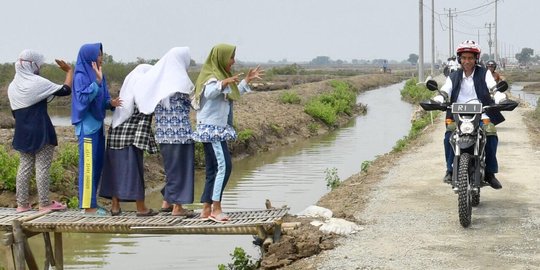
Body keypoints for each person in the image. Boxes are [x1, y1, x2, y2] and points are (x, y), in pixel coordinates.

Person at [192, 44, 263, 222]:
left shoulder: (218, 76)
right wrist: (223, 82)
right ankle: (216, 208)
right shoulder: (212, 77)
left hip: (213, 128)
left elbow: (231, 94)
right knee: (224, 166)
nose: (233, 60)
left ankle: (206, 209)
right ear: (222, 57)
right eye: (231, 57)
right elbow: (209, 92)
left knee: (212, 169)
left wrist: (245, 81)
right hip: (212, 129)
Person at [132, 47, 196, 217]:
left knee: (172, 169)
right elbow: (195, 104)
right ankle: (178, 207)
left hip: (163, 134)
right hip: (180, 134)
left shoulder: (158, 81)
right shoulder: (181, 80)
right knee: (181, 170)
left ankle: (167, 202)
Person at [8, 50, 72, 213]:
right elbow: (65, 90)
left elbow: (15, 113)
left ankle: (22, 204)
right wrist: (69, 71)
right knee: (42, 166)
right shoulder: (37, 82)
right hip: (41, 130)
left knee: (24, 166)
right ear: (31, 64)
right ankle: (44, 203)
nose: (39, 68)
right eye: (38, 65)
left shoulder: (13, 86)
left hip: (23, 131)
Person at [435, 40, 503, 189]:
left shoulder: (484, 73)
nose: (467, 61)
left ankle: (490, 173)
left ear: (476, 59)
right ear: (459, 59)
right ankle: (450, 169)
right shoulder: (454, 76)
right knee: (449, 136)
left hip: (481, 113)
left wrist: (499, 97)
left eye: (470, 58)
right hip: (457, 116)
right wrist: (439, 98)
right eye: (464, 58)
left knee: (491, 133)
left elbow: (493, 88)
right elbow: (446, 90)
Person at [99, 64, 158, 217]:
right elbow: (144, 119)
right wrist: (145, 143)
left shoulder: (126, 92)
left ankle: (115, 206)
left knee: (114, 171)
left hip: (115, 134)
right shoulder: (143, 94)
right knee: (134, 171)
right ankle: (141, 208)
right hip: (130, 138)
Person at [72, 43, 121, 215]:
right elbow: (83, 100)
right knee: (87, 165)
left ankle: (92, 201)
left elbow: (104, 98)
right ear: (89, 57)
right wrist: (97, 82)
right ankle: (88, 206)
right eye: (98, 55)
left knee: (97, 165)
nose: (101, 58)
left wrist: (111, 103)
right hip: (86, 128)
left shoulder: (100, 74)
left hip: (98, 126)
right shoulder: (80, 76)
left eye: (102, 55)